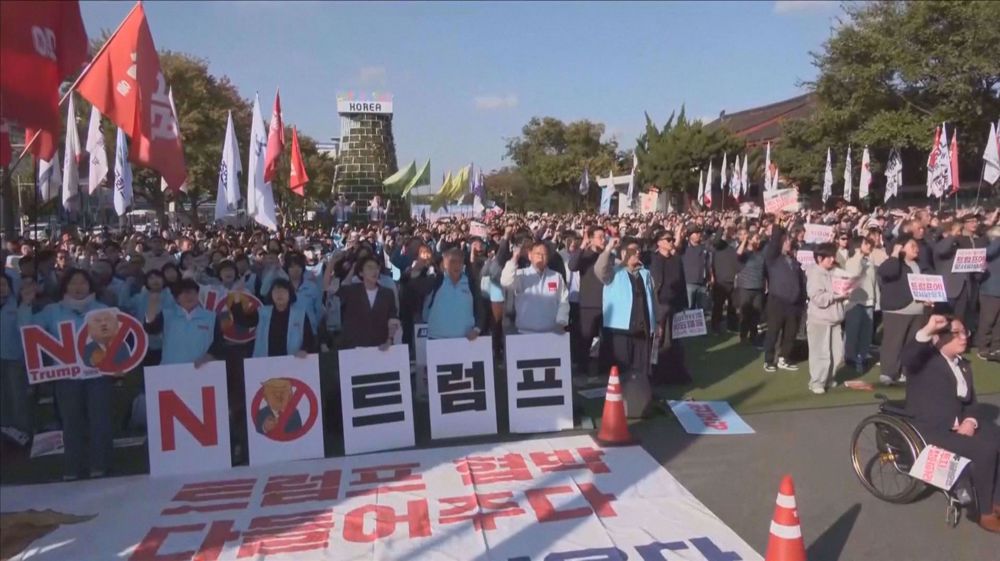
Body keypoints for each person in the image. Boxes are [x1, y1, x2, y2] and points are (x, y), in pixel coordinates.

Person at [901, 314, 1000, 533]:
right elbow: (908, 358)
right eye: (955, 334)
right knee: (985, 450)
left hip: (959, 426)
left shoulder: (963, 364)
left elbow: (971, 402)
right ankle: (983, 512)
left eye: (965, 332)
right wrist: (928, 330)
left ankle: (996, 500)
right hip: (932, 429)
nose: (963, 337)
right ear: (938, 339)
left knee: (996, 436)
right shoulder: (925, 362)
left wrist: (971, 421)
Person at [18, 269, 111, 480]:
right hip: (67, 376)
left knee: (100, 421)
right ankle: (72, 468)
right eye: (73, 283)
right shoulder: (52, 311)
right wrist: (26, 305)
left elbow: (113, 343)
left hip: (97, 375)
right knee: (71, 423)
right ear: (65, 287)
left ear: (90, 286)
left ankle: (100, 465)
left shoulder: (103, 309)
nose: (78, 287)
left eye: (83, 283)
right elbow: (27, 331)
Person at [595, 237, 661, 417]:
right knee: (620, 369)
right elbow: (599, 269)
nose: (636, 254)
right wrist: (609, 248)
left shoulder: (645, 274)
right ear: (623, 254)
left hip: (643, 329)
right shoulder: (613, 272)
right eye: (632, 251)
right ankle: (618, 403)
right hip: (620, 329)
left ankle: (639, 404)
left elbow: (652, 300)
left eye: (638, 251)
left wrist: (657, 322)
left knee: (641, 369)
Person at [877, 235, 928, 385]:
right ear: (902, 247)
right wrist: (895, 253)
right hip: (897, 309)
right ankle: (888, 372)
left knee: (911, 343)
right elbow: (886, 272)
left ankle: (906, 371)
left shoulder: (920, 264)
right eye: (912, 246)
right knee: (894, 342)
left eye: (917, 246)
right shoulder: (895, 263)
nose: (916, 249)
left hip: (918, 309)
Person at [413, 247, 487, 341]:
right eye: (452, 261)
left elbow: (480, 309)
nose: (457, 265)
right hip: (437, 339)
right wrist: (417, 269)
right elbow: (414, 288)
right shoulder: (435, 281)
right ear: (444, 264)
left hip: (465, 341)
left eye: (460, 262)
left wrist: (477, 329)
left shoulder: (470, 283)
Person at [232, 278, 316, 358]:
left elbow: (309, 339)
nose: (279, 294)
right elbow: (242, 321)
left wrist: (305, 350)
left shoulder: (300, 314)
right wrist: (237, 299)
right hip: (265, 363)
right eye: (276, 291)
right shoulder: (262, 312)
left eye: (283, 291)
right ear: (271, 294)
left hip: (292, 362)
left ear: (290, 294)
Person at [648, 230, 691, 385]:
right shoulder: (653, 259)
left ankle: (676, 374)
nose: (671, 242)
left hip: (674, 306)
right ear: (659, 243)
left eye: (672, 239)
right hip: (659, 306)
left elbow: (682, 283)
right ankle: (657, 375)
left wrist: (684, 305)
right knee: (659, 342)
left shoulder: (677, 260)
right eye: (668, 239)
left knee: (675, 342)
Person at [500, 240, 569, 334]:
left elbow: (563, 301)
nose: (540, 257)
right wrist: (514, 258)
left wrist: (561, 322)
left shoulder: (556, 277)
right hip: (525, 333)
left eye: (544, 254)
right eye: (537, 254)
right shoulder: (521, 275)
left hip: (551, 333)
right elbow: (505, 282)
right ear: (530, 255)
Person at [762, 224, 805, 372]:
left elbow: (801, 282)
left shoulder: (795, 262)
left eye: (789, 241)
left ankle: (783, 358)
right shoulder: (773, 258)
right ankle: (768, 360)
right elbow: (774, 242)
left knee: (790, 332)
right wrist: (779, 227)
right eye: (785, 241)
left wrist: (802, 300)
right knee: (773, 331)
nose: (788, 243)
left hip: (794, 304)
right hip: (777, 302)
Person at [805, 243, 847, 394]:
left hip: (835, 318)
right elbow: (817, 297)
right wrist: (837, 296)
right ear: (819, 258)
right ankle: (817, 382)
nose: (832, 259)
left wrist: (844, 293)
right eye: (828, 257)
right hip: (820, 319)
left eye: (833, 256)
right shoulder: (815, 274)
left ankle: (829, 377)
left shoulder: (834, 272)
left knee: (837, 352)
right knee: (820, 353)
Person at [568, 225, 607, 377]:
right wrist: (583, 246)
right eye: (600, 237)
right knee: (586, 338)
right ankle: (581, 368)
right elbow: (572, 266)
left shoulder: (607, 255)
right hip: (588, 303)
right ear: (590, 239)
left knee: (605, 339)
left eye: (604, 237)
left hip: (606, 303)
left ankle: (602, 370)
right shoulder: (585, 255)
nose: (603, 240)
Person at [337, 256, 399, 350]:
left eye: (376, 268)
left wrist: (389, 340)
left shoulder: (387, 293)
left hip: (380, 346)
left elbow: (392, 318)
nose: (374, 271)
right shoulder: (352, 291)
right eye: (370, 267)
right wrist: (352, 269)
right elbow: (328, 288)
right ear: (361, 272)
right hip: (354, 348)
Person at [0, 272, 31, 446]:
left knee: (17, 395)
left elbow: (25, 327)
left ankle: (23, 430)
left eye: (3, 285)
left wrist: (26, 305)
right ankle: (4, 428)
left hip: (14, 359)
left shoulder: (16, 306)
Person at [843, 235, 880, 372]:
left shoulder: (870, 260)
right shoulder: (852, 261)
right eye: (866, 244)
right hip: (855, 301)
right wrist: (859, 255)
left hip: (869, 301)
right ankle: (850, 356)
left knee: (866, 332)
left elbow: (873, 281)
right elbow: (854, 273)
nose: (869, 246)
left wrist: (877, 299)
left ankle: (862, 356)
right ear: (858, 246)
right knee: (853, 331)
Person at [735, 230, 766, 346]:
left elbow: (764, 270)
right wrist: (744, 241)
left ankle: (753, 336)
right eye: (756, 239)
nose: (758, 241)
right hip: (746, 288)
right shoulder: (745, 253)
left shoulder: (761, 254)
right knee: (745, 314)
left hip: (758, 288)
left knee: (756, 314)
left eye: (759, 239)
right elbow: (738, 254)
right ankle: (743, 336)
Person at [710, 227, 739, 334]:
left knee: (733, 306)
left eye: (732, 231)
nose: (730, 233)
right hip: (720, 280)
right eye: (728, 231)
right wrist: (722, 227)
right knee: (718, 305)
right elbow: (716, 240)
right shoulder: (720, 244)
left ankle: (732, 326)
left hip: (733, 279)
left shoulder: (736, 245)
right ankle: (715, 326)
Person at [977, 226, 1000, 361]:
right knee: (988, 320)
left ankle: (996, 347)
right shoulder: (990, 247)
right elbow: (986, 253)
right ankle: (983, 348)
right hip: (990, 290)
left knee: (999, 322)